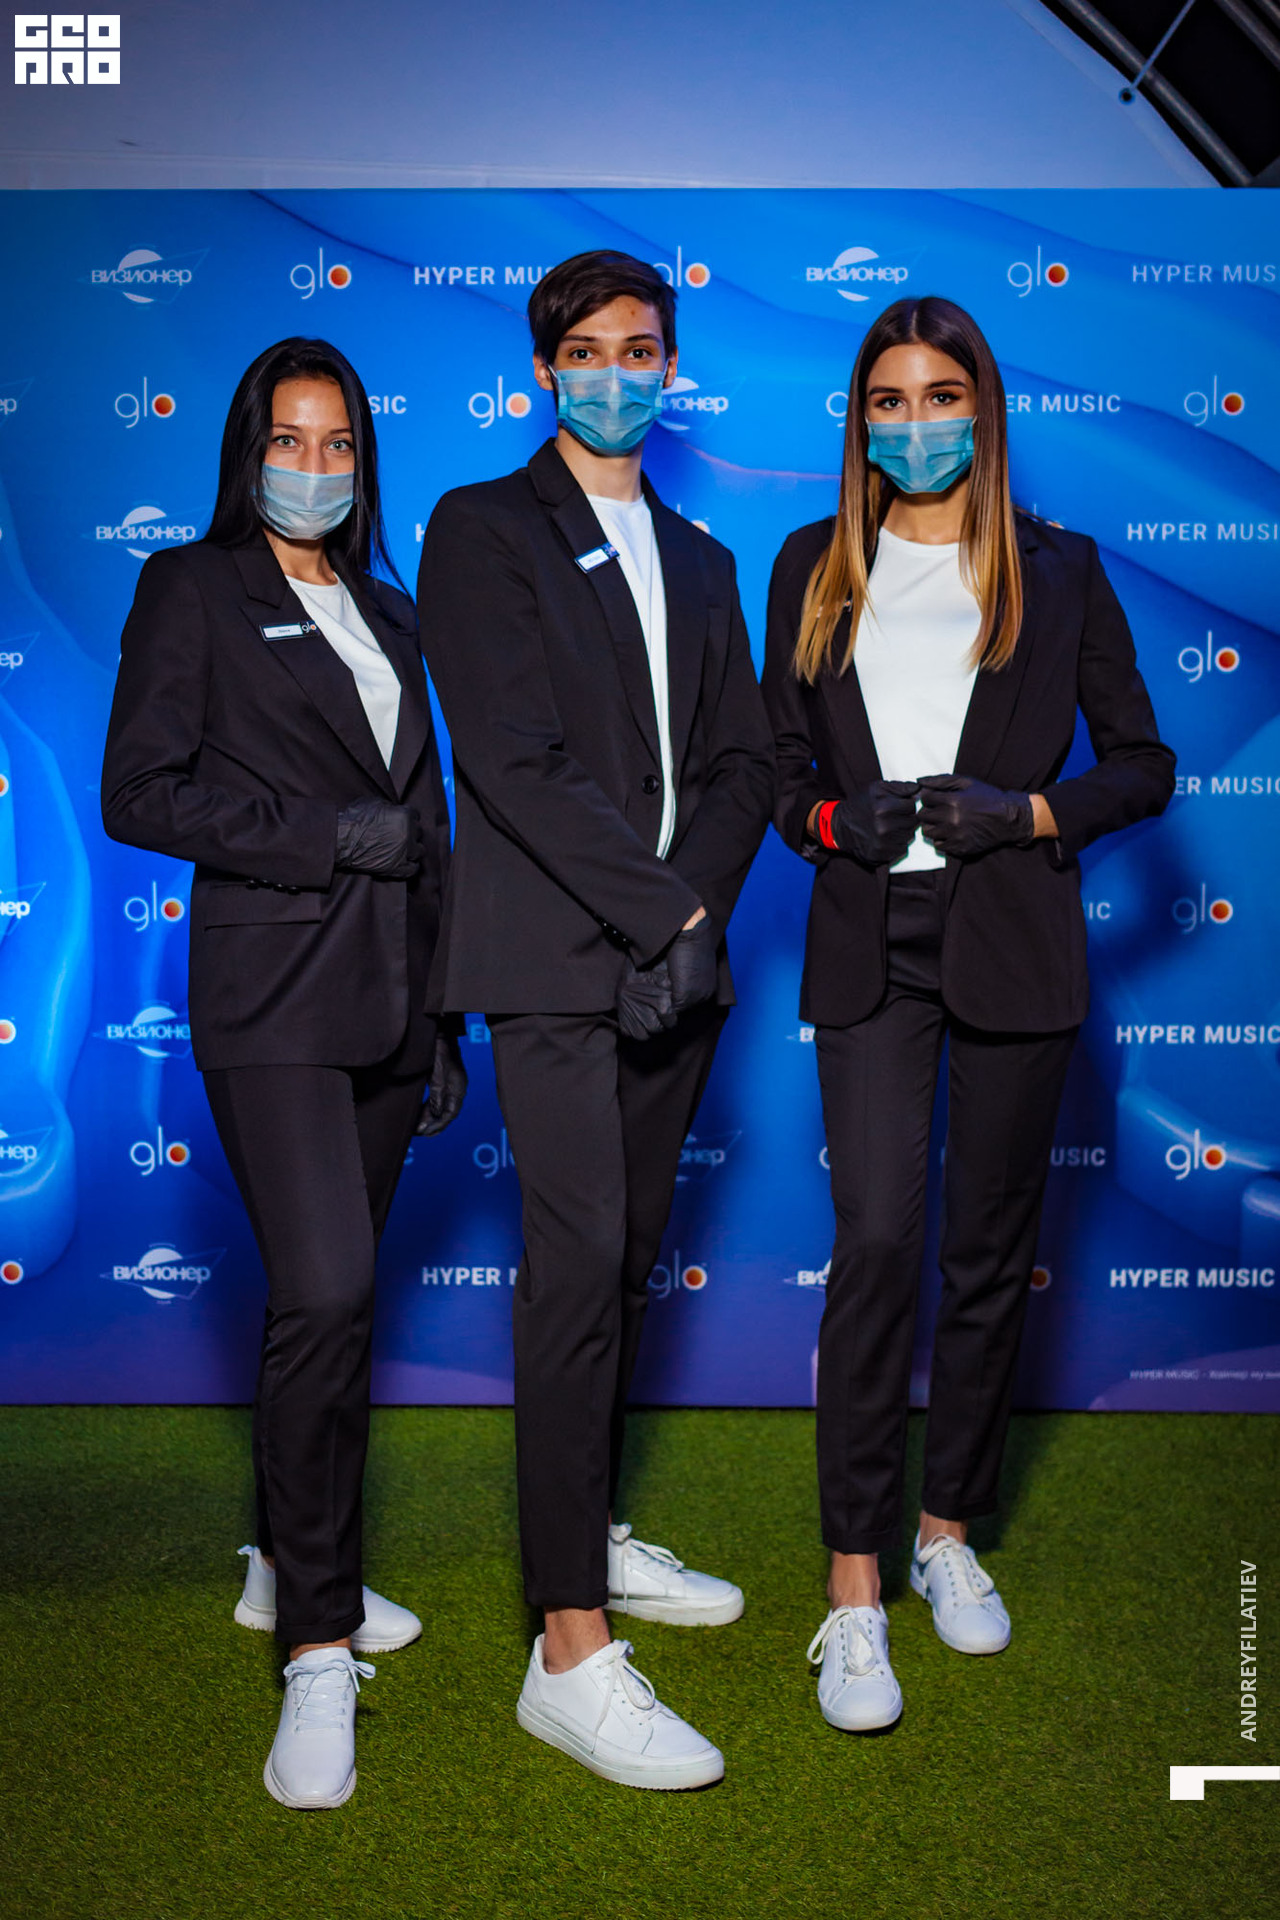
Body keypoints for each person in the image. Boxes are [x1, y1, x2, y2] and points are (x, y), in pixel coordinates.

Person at [762, 296, 1175, 1734]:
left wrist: (1033, 814)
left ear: (981, 410)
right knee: (877, 1244)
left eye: (942, 395)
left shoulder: (1060, 568)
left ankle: (946, 1532)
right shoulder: (813, 564)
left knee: (990, 1256)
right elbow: (774, 772)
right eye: (889, 400)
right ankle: (855, 1584)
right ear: (860, 420)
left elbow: (1145, 764)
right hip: (869, 943)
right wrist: (832, 820)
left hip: (1012, 938)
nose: (917, 422)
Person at [418, 250, 774, 1790]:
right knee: (573, 1274)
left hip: (673, 966)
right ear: (542, 369)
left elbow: (748, 765)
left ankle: (591, 1529)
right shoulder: (482, 526)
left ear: (670, 367)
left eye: (640, 350)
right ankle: (566, 1648)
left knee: (626, 1266)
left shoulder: (702, 555)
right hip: (561, 959)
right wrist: (662, 916)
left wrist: (692, 922)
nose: (614, 373)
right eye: (586, 351)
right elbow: (512, 760)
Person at [102, 338, 463, 1809]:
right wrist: (321, 838)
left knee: (333, 1309)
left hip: (389, 1005)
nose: (313, 468)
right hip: (270, 1000)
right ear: (248, 449)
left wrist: (445, 1015)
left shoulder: (392, 608)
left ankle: (286, 1557)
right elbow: (139, 792)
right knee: (323, 1293)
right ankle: (318, 1645)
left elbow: (428, 819)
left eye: (338, 446)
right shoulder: (190, 588)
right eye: (288, 441)